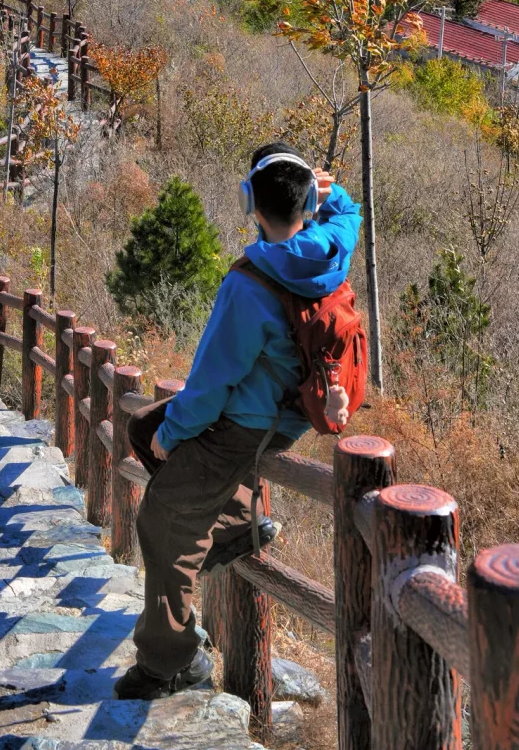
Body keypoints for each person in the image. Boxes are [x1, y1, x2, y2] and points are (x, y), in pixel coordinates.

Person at [114, 142, 362, 701]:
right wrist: (333, 192)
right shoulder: (331, 248)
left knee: (160, 521)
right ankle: (236, 524)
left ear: (251, 202)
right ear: (311, 200)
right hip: (293, 413)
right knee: (140, 431)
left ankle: (168, 664)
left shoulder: (248, 286)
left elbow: (207, 390)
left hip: (246, 424)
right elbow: (350, 213)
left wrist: (172, 434)